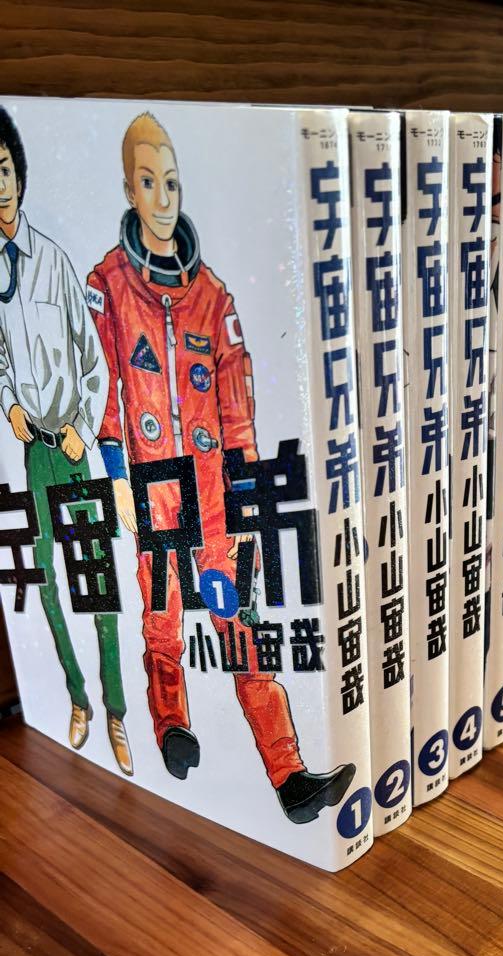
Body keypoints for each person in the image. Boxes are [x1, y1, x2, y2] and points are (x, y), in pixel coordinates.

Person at [88, 112, 353, 823]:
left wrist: (244, 496)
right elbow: (102, 383)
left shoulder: (214, 298)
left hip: (212, 492)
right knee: (162, 615)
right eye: (149, 182)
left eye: (172, 182)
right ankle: (171, 725)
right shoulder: (108, 285)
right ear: (129, 190)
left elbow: (238, 409)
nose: (163, 197)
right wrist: (115, 470)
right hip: (151, 483)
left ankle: (288, 774)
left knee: (240, 619)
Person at [0, 106, 132, 775]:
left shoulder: (51, 260)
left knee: (97, 580)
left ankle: (115, 710)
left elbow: (94, 361)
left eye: (2, 168)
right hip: (34, 451)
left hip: (73, 448)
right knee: (46, 581)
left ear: (19, 176)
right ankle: (75, 698)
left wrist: (81, 427)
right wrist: (9, 403)